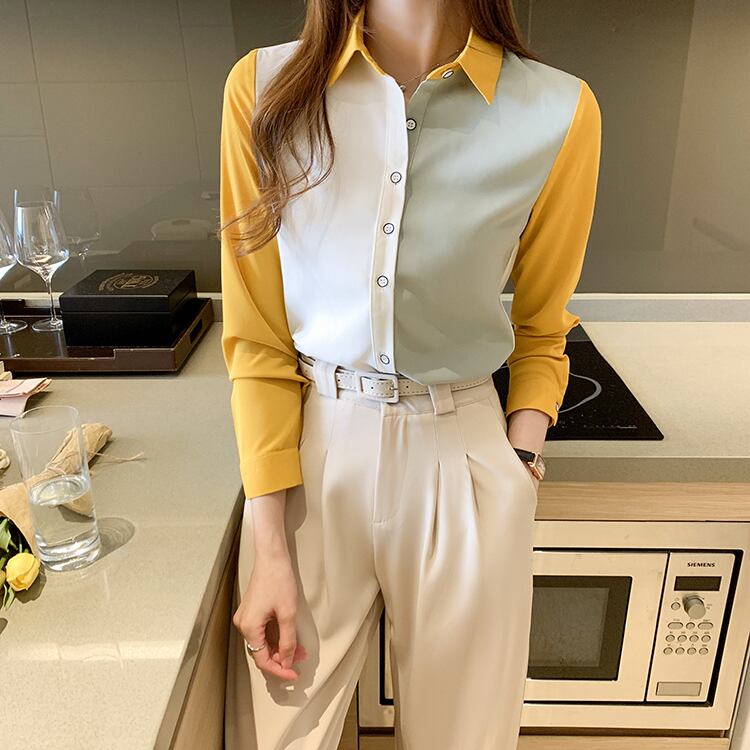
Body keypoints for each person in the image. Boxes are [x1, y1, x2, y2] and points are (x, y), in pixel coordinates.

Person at [219, 0, 601, 747]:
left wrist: (520, 458)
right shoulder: (262, 91)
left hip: (464, 458)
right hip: (311, 462)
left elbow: (543, 327)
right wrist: (270, 549)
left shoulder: (558, 110)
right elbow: (258, 339)